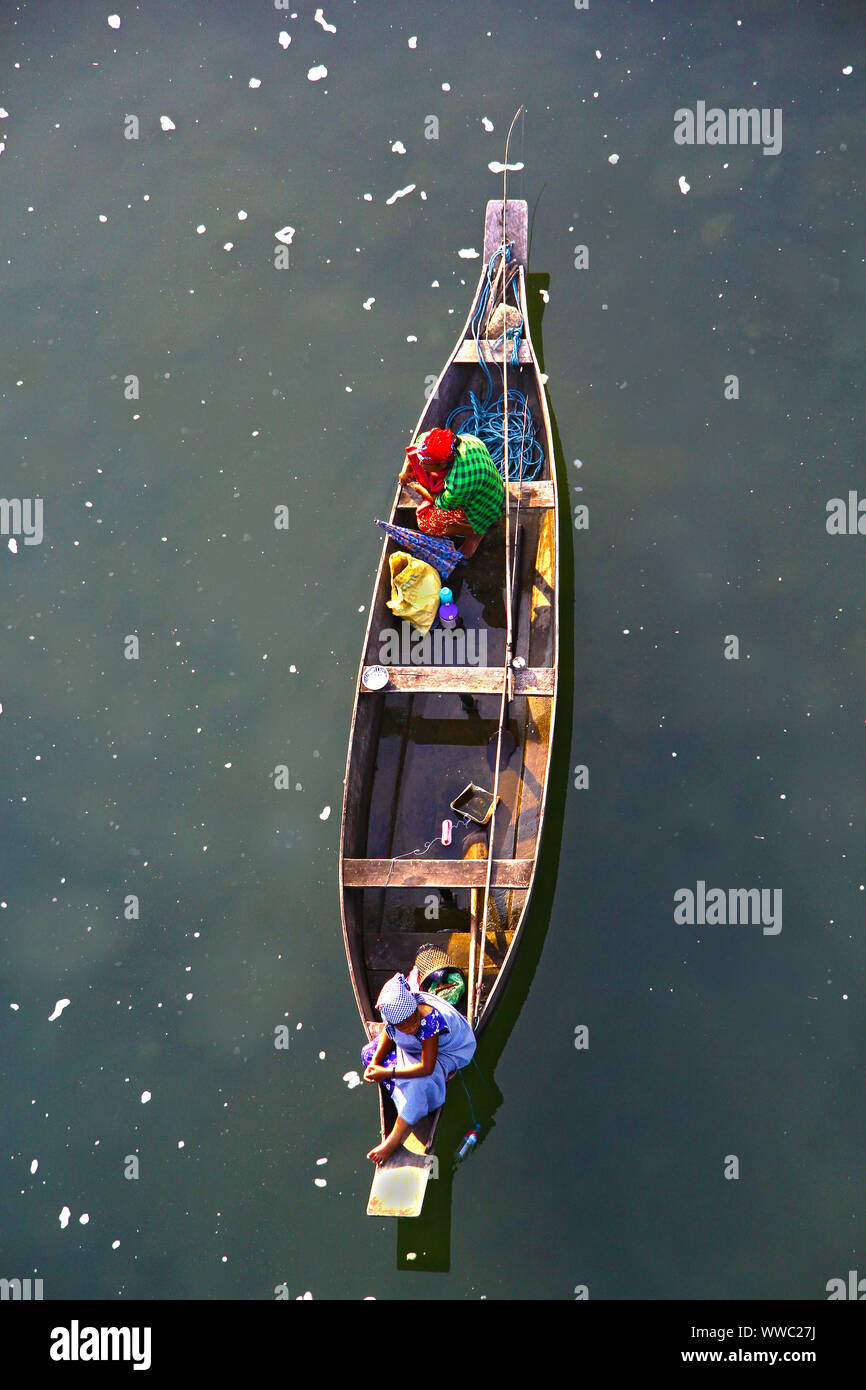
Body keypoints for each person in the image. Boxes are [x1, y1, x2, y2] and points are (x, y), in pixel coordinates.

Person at [361, 972, 476, 1164]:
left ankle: (393, 1139)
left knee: (418, 1086)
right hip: (416, 1049)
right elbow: (389, 1032)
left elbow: (427, 1068)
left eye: (414, 1021)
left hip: (442, 1055)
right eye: (404, 1027)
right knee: (368, 1054)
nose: (412, 1028)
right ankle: (405, 1089)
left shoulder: (429, 1021)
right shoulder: (393, 1015)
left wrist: (388, 1072)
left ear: (415, 1010)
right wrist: (375, 1063)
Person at [399, 427, 504, 559]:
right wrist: (407, 470)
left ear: (442, 465)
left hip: (483, 500)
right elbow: (416, 447)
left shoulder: (457, 484)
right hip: (485, 478)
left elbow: (442, 503)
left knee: (426, 523)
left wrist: (420, 489)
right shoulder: (442, 441)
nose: (420, 463)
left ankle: (475, 531)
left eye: (424, 462)